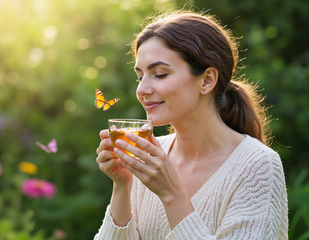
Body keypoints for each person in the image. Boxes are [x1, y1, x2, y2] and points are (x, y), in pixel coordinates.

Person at [94, 10, 288, 239]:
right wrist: (122, 185)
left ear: (206, 80)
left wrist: (171, 195)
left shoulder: (257, 166)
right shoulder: (149, 154)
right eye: (140, 76)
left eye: (160, 74)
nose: (142, 90)